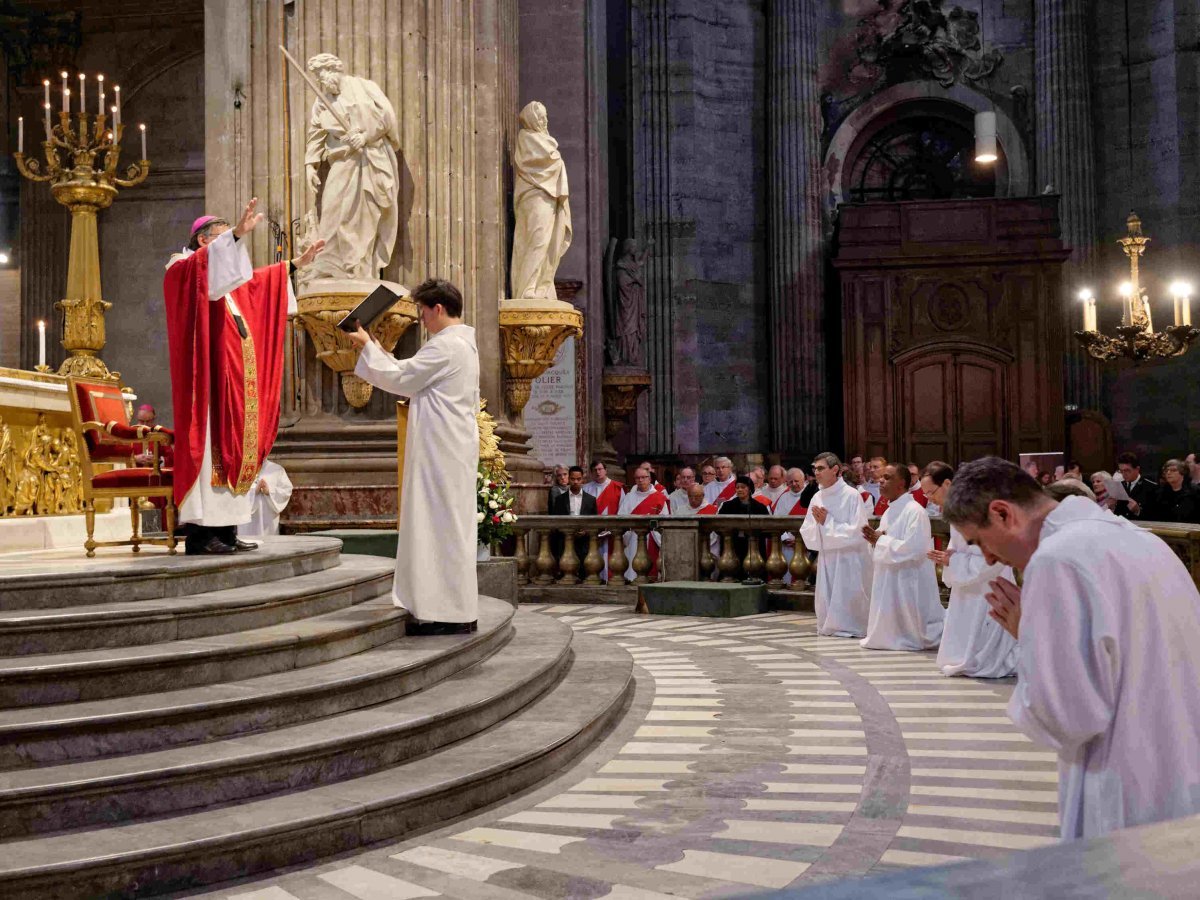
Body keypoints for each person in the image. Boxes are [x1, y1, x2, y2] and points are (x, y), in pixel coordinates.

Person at [943, 457, 1200, 840]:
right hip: (1184, 774)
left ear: (1002, 513)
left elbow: (1068, 717)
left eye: (979, 542)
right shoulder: (1142, 539)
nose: (989, 558)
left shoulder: (1057, 559)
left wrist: (1029, 635)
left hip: (1127, 790)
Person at [164, 199, 324, 556]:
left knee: (237, 451)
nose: (234, 249)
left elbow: (255, 285)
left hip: (234, 384)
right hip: (206, 386)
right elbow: (203, 281)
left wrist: (294, 266)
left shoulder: (220, 280)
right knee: (212, 457)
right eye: (226, 242)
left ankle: (228, 531)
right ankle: (202, 537)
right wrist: (236, 233)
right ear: (205, 242)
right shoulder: (182, 267)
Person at [349, 278, 480, 635]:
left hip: (440, 453)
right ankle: (454, 608)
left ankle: (445, 613)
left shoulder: (447, 346)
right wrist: (374, 347)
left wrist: (365, 346)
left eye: (423, 311)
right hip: (448, 450)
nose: (421, 318)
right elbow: (411, 373)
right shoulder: (461, 345)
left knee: (438, 530)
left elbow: (402, 378)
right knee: (447, 529)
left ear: (438, 309)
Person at [921, 462, 1016, 678]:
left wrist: (953, 561)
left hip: (988, 579)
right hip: (969, 578)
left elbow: (991, 554)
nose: (929, 498)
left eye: (931, 492)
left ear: (947, 483)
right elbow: (960, 546)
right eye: (924, 493)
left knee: (985, 635)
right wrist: (950, 558)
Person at [860, 464, 945, 651]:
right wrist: (874, 539)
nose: (880, 480)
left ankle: (909, 635)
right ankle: (891, 634)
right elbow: (886, 538)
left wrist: (880, 540)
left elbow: (914, 549)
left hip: (910, 576)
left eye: (887, 477)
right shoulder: (890, 511)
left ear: (902, 484)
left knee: (912, 627)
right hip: (891, 574)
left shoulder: (915, 511)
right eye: (881, 477)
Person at [799, 453, 873, 637]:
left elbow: (858, 532)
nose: (816, 472)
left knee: (848, 592)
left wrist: (827, 523)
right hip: (828, 556)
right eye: (815, 468)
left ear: (835, 470)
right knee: (829, 593)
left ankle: (852, 625)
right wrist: (822, 527)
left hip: (850, 557)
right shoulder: (817, 497)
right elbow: (807, 530)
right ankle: (831, 625)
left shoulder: (851, 495)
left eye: (821, 468)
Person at [617, 465, 669, 580]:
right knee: (633, 573)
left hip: (652, 539)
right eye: (637, 478)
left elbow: (664, 522)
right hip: (632, 540)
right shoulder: (629, 497)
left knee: (651, 574)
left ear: (649, 479)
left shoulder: (659, 498)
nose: (640, 480)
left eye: (644, 477)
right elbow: (621, 519)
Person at [583, 459, 624, 582]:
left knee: (610, 558)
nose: (598, 472)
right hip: (592, 532)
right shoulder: (586, 488)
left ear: (605, 470)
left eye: (600, 469)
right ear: (591, 472)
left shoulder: (617, 487)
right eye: (595, 470)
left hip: (611, 532)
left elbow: (623, 510)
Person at [717, 474, 768, 565]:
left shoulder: (760, 507)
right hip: (733, 545)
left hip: (754, 546)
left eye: (743, 487)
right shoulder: (727, 506)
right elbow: (718, 525)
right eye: (737, 487)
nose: (739, 489)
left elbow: (766, 528)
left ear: (749, 489)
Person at [238, 458, 294, 537]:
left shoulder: (276, 469)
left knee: (270, 546)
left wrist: (269, 491)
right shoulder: (240, 469)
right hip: (248, 522)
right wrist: (254, 491)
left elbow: (286, 490)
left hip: (269, 519)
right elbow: (234, 493)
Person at [1149, 458, 1200, 523]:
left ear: (1183, 472)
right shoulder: (1159, 493)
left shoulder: (1195, 492)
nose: (1168, 473)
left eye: (1173, 470)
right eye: (1166, 470)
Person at [1114, 451, 1156, 520]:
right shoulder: (1120, 485)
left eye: (1127, 470)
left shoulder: (1151, 487)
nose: (1124, 474)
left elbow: (1156, 515)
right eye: (1121, 471)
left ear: (1137, 469)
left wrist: (1138, 511)